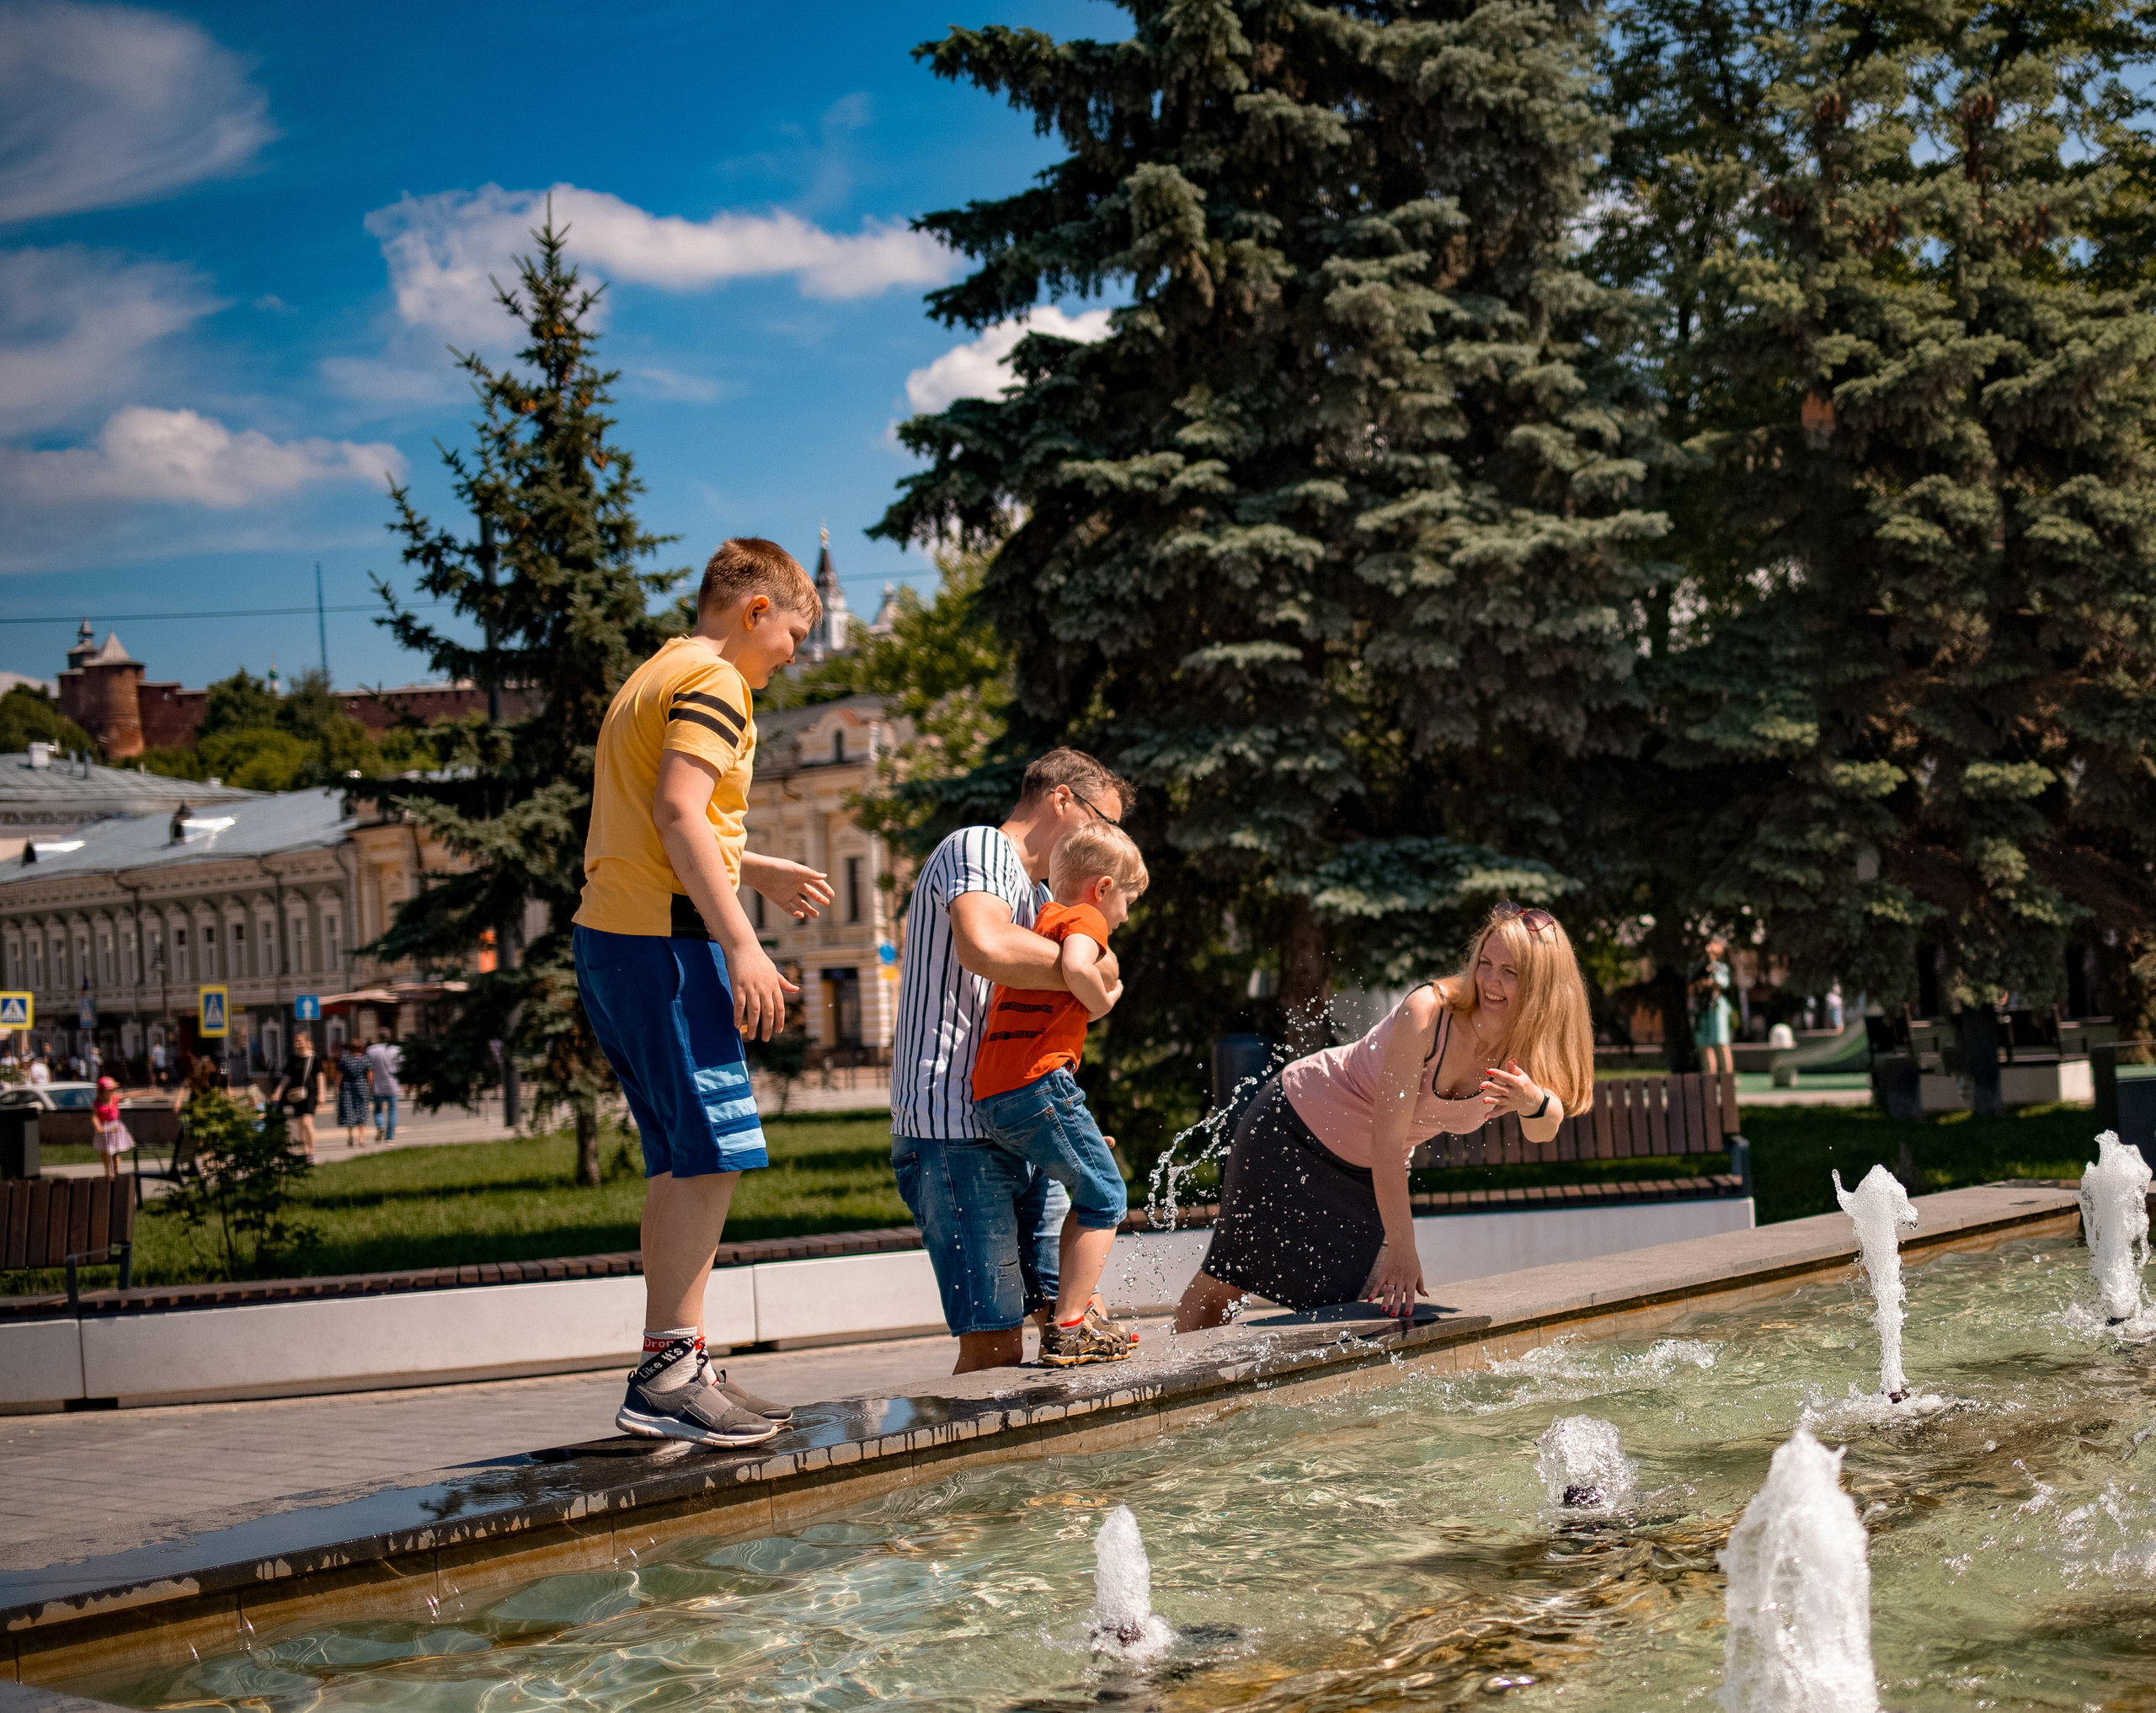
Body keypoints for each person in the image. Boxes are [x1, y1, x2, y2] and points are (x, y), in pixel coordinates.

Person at [575, 535, 834, 1451]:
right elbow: (680, 811)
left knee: (683, 1157)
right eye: (793, 635)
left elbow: (661, 815)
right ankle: (669, 1374)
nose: (791, 656)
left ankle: (674, 1362)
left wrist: (752, 868)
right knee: (714, 1151)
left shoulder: (658, 673)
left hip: (617, 935)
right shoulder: (717, 682)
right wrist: (743, 943)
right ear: (756, 610)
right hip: (668, 945)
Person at [1175, 901, 1596, 1330]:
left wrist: (1532, 1102)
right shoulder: (1428, 1013)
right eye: (1485, 963)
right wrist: (1403, 1244)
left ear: (1541, 984)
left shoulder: (1527, 1042)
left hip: (1364, 1171)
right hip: (1292, 1130)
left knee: (1362, 1314)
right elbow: (1388, 1138)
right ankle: (1172, 1383)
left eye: (1511, 972)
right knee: (1226, 1284)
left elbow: (1546, 1124)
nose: (1490, 980)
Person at [889, 748, 1133, 1374]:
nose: (1108, 842)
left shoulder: (1037, 893)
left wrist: (1059, 1130)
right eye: (1104, 822)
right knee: (996, 1347)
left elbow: (1034, 1023)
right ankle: (981, 1475)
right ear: (1061, 801)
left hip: (1011, 1119)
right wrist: (1093, 971)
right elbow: (985, 944)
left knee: (1074, 1315)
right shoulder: (980, 850)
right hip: (952, 1130)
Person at [971, 821, 1147, 1367]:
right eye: (1127, 901)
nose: (1123, 916)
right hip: (1040, 1081)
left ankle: (1071, 1313)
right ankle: (1069, 1327)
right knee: (1108, 1195)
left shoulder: (1042, 920)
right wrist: (1104, 999)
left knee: (1087, 1184)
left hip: (995, 1092)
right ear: (1102, 888)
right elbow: (1076, 967)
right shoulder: (1084, 919)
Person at [274, 1031, 325, 1162]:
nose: (297, 1044)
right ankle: (305, 1150)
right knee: (300, 1125)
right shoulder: (293, 1059)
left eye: (299, 1041)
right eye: (295, 1041)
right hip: (296, 1095)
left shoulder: (314, 1058)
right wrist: (278, 1091)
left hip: (310, 1094)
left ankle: (311, 1152)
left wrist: (321, 1094)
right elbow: (287, 1077)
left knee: (307, 1122)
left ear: (306, 1042)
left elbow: (319, 1076)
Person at [1694, 936, 1734, 1078]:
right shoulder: (1697, 967)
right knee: (1705, 1044)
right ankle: (1709, 1077)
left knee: (1721, 1042)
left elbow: (1722, 984)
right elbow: (1693, 987)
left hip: (1717, 1007)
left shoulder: (1720, 968)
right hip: (1702, 1009)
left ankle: (1727, 1078)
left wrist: (1710, 982)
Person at [91, 1075, 131, 1178]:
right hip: (104, 1129)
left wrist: (145, 1092)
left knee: (114, 1151)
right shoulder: (97, 1103)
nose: (112, 1092)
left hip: (115, 1128)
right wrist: (98, 1126)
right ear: (102, 1091)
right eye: (109, 1090)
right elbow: (94, 1116)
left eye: (113, 1089)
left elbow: (128, 1095)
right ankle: (108, 1170)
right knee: (105, 1152)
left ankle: (115, 1171)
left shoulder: (115, 1099)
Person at [334, 1038, 371, 1149]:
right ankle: (361, 1139)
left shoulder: (345, 1060)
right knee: (362, 1113)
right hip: (362, 1088)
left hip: (347, 1088)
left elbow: (339, 1077)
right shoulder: (366, 1060)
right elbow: (370, 1077)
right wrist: (367, 1086)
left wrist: (336, 1088)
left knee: (349, 1112)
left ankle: (350, 1138)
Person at [365, 1038, 401, 1143]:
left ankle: (380, 1125)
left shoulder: (371, 1050)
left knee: (378, 1109)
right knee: (392, 1111)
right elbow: (400, 1066)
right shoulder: (396, 1050)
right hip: (392, 1084)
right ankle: (389, 1137)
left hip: (378, 1086)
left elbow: (369, 1070)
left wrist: (370, 1085)